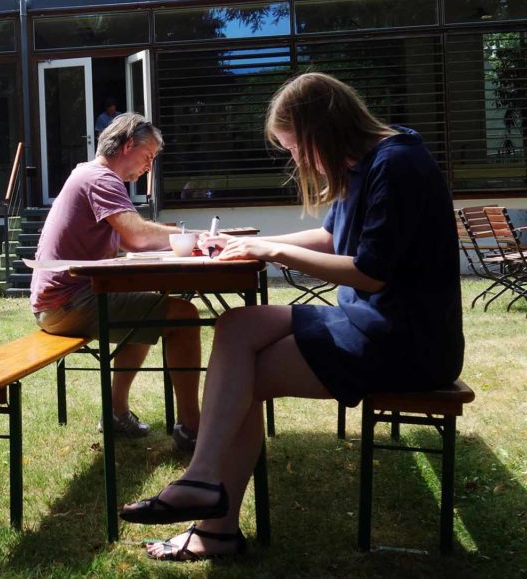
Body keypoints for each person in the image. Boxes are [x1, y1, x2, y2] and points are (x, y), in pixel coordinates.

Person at [119, 72, 465, 561]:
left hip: (408, 344)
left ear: (322, 129)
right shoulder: (366, 162)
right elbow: (331, 239)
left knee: (244, 376)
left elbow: (369, 273)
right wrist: (249, 246)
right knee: (235, 327)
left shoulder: (398, 166)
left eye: (295, 146)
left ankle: (213, 522)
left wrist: (273, 251)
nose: (296, 159)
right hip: (370, 322)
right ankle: (202, 484)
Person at [31, 113, 203, 449]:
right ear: (127, 146)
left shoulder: (89, 174)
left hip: (61, 300)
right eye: (148, 157)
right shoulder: (102, 178)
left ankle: (115, 411)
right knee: (183, 316)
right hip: (67, 304)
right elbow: (137, 237)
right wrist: (190, 236)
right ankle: (191, 427)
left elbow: (125, 238)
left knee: (148, 306)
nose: (148, 167)